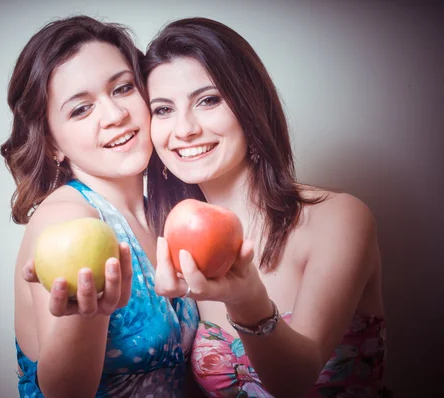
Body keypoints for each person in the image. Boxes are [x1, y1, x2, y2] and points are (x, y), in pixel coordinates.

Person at [143, 18, 387, 397]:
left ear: (249, 107)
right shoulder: (169, 245)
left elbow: (293, 381)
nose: (185, 128)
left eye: (208, 100)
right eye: (162, 109)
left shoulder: (339, 219)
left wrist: (246, 301)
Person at [0, 16, 199, 397]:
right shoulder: (67, 220)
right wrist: (86, 316)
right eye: (80, 109)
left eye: (123, 89)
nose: (115, 115)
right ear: (52, 143)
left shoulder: (164, 214)